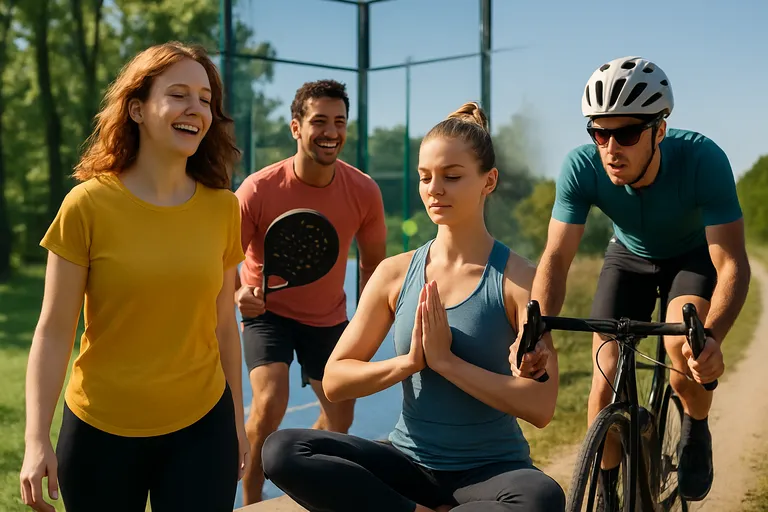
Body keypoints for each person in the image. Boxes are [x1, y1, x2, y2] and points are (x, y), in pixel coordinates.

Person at [259, 102, 566, 512]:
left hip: (491, 473)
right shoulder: (395, 274)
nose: (434, 189)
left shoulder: (519, 280)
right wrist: (409, 363)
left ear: (488, 181)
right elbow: (335, 379)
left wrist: (447, 363)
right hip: (408, 464)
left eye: (452, 177)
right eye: (425, 177)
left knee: (542, 498)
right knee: (283, 449)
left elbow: (541, 407)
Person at [18, 42, 249, 512]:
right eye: (179, 94)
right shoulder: (86, 204)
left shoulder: (224, 208)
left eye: (205, 99)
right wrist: (35, 438)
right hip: (100, 429)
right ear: (138, 108)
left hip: (203, 427)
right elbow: (55, 328)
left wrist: (237, 424)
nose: (196, 109)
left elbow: (225, 325)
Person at [523, 56, 750, 504]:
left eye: (625, 134)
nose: (610, 147)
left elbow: (732, 264)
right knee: (603, 379)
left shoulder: (703, 159)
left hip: (692, 257)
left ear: (659, 131)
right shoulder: (581, 167)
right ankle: (607, 491)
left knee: (679, 350)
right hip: (627, 255)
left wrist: (713, 340)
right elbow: (556, 256)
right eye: (599, 133)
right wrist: (538, 330)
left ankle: (695, 425)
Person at [234, 78, 388, 504]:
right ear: (296, 128)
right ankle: (251, 498)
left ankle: (294, 470)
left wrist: (365, 327)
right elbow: (224, 259)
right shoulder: (257, 189)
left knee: (340, 418)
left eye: (339, 121)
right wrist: (238, 295)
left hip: (328, 317)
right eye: (319, 121)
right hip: (268, 315)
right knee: (268, 402)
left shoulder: (363, 191)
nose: (331, 132)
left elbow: (373, 267)